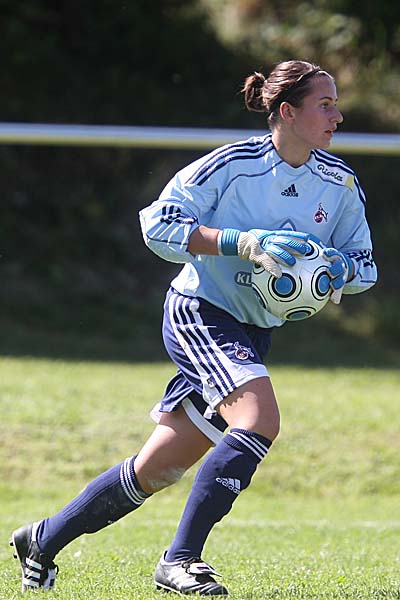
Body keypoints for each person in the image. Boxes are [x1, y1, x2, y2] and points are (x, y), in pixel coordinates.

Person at [10, 60, 377, 596]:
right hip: (200, 312)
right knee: (259, 419)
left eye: (335, 105)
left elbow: (365, 265)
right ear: (286, 111)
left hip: (254, 332)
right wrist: (241, 242)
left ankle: (42, 539)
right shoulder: (233, 165)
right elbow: (157, 223)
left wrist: (338, 268)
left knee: (156, 468)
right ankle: (180, 560)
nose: (337, 117)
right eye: (325, 105)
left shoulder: (339, 183)